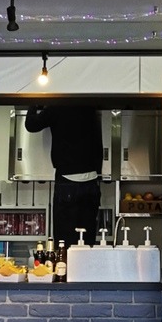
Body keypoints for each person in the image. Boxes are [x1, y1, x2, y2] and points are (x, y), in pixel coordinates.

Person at [25, 104, 103, 248]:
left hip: (67, 178)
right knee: (87, 238)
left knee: (64, 240)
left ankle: (65, 262)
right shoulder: (89, 104)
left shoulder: (57, 106)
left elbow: (31, 125)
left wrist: (33, 104)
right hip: (91, 179)